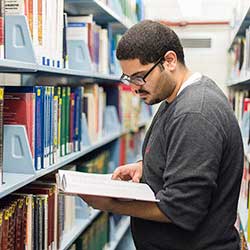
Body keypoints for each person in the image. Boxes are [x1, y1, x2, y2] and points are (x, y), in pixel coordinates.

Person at [80, 20, 243, 250]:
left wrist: (111, 204)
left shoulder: (195, 113)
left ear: (169, 61)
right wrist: (146, 166)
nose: (134, 88)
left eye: (139, 77)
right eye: (128, 79)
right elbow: (181, 154)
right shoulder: (174, 98)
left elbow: (182, 209)